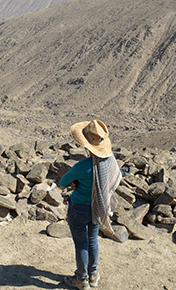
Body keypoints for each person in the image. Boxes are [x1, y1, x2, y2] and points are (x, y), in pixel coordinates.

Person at [59, 120, 122, 290]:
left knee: (81, 244)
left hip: (79, 208)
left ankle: (82, 279)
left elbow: (63, 181)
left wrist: (75, 183)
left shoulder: (82, 166)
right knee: (93, 240)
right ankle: (93, 275)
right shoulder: (109, 163)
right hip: (98, 207)